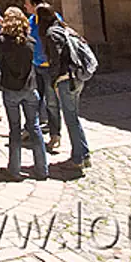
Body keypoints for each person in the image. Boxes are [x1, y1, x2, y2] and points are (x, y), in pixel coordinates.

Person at [0, 7, 48, 181]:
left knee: (15, 130)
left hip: (11, 90)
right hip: (29, 89)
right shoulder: (30, 42)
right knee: (35, 128)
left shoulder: (3, 42)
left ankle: (14, 170)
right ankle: (42, 169)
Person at [44, 13, 92, 172]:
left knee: (71, 120)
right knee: (74, 118)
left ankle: (78, 159)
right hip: (78, 78)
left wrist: (54, 82)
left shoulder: (52, 34)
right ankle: (84, 154)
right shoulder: (67, 30)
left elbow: (57, 61)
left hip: (66, 80)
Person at [24, 0, 60, 153]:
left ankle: (55, 135)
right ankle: (31, 129)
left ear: (33, 4)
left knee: (52, 102)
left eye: (27, 4)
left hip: (50, 68)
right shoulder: (31, 20)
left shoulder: (52, 18)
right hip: (36, 65)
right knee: (34, 100)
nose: (25, 7)